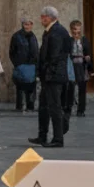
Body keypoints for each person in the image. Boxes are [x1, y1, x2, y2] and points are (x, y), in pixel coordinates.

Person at [30, 8, 69, 148]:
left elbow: (55, 56)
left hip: (54, 76)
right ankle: (42, 135)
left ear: (50, 18)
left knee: (54, 107)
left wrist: (48, 71)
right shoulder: (50, 31)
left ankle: (58, 138)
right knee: (44, 107)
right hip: (49, 76)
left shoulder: (57, 31)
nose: (41, 20)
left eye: (43, 17)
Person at [8, 19, 39, 112]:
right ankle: (20, 105)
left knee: (31, 86)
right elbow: (12, 52)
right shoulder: (16, 36)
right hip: (21, 65)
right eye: (25, 24)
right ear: (22, 25)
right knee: (20, 86)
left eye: (29, 24)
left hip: (32, 65)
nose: (27, 26)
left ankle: (30, 106)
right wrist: (17, 63)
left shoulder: (33, 36)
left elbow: (36, 50)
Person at [67, 20, 93, 117]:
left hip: (82, 66)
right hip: (72, 66)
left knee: (82, 89)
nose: (76, 32)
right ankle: (68, 108)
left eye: (78, 30)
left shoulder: (84, 40)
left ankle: (81, 110)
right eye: (74, 30)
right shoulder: (69, 40)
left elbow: (88, 53)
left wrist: (88, 59)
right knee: (70, 89)